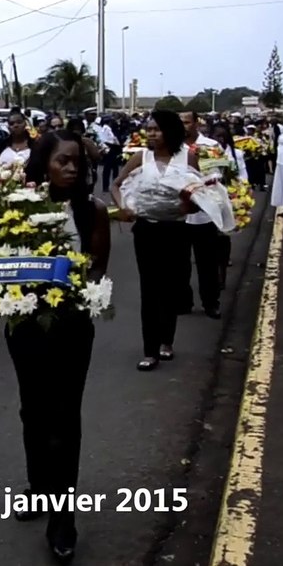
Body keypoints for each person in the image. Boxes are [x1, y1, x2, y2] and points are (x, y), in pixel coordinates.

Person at [7, 130, 111, 566]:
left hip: (71, 328)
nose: (70, 168)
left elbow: (96, 270)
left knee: (65, 418)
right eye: (61, 161)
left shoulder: (93, 213)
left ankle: (63, 517)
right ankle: (38, 489)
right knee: (33, 410)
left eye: (76, 162)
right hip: (25, 325)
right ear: (42, 164)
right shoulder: (16, 208)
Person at [110, 109, 200, 371]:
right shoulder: (141, 157)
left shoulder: (188, 158)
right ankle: (150, 350)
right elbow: (116, 184)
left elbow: (201, 194)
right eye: (148, 129)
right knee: (149, 289)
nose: (151, 134)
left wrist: (189, 207)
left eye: (156, 129)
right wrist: (123, 207)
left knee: (172, 287)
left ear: (170, 131)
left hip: (177, 231)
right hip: (147, 231)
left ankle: (166, 342)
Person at [179, 112, 224, 319]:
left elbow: (221, 174)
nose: (183, 126)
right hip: (179, 214)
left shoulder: (211, 146)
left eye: (187, 122)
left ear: (196, 124)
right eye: (180, 123)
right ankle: (184, 301)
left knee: (207, 262)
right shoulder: (172, 147)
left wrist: (200, 184)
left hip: (204, 213)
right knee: (180, 263)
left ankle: (210, 302)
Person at [211, 123, 249, 290]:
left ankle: (222, 273)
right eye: (216, 136)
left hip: (228, 196)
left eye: (222, 136)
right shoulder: (206, 152)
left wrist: (242, 194)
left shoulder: (236, 154)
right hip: (209, 197)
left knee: (223, 235)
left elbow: (242, 175)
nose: (219, 140)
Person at [0, 109, 35, 174]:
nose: (15, 125)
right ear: (8, 127)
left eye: (19, 122)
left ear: (25, 124)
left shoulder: (35, 144)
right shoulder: (1, 145)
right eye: (12, 124)